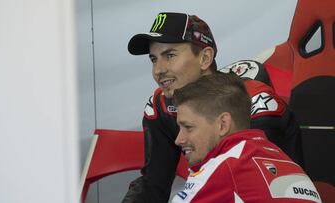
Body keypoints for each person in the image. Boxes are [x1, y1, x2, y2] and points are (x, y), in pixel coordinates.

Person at [122, 12, 303, 203]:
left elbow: (265, 186)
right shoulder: (161, 105)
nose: (158, 70)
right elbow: (154, 184)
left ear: (205, 58)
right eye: (154, 59)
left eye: (170, 55)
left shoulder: (253, 101)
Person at [170, 73, 321, 203]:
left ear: (223, 124)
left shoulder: (224, 166)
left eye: (188, 127)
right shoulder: (285, 161)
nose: (178, 139)